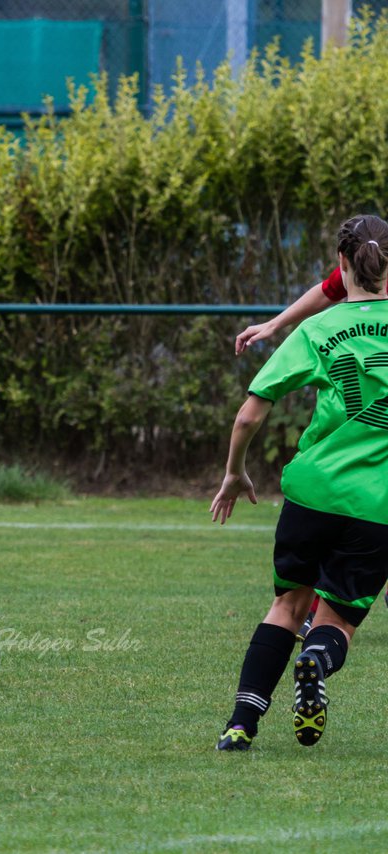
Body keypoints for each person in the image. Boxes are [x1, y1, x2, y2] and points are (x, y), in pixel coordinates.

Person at [211, 213, 388, 750]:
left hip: (311, 492)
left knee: (288, 606)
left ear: (342, 262)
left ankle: (240, 725)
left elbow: (248, 415)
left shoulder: (318, 330)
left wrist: (234, 472)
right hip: (377, 506)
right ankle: (315, 660)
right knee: (336, 622)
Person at [236, 261, 353, 640]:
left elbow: (249, 416)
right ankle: (316, 613)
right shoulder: (371, 254)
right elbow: (327, 290)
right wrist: (274, 324)